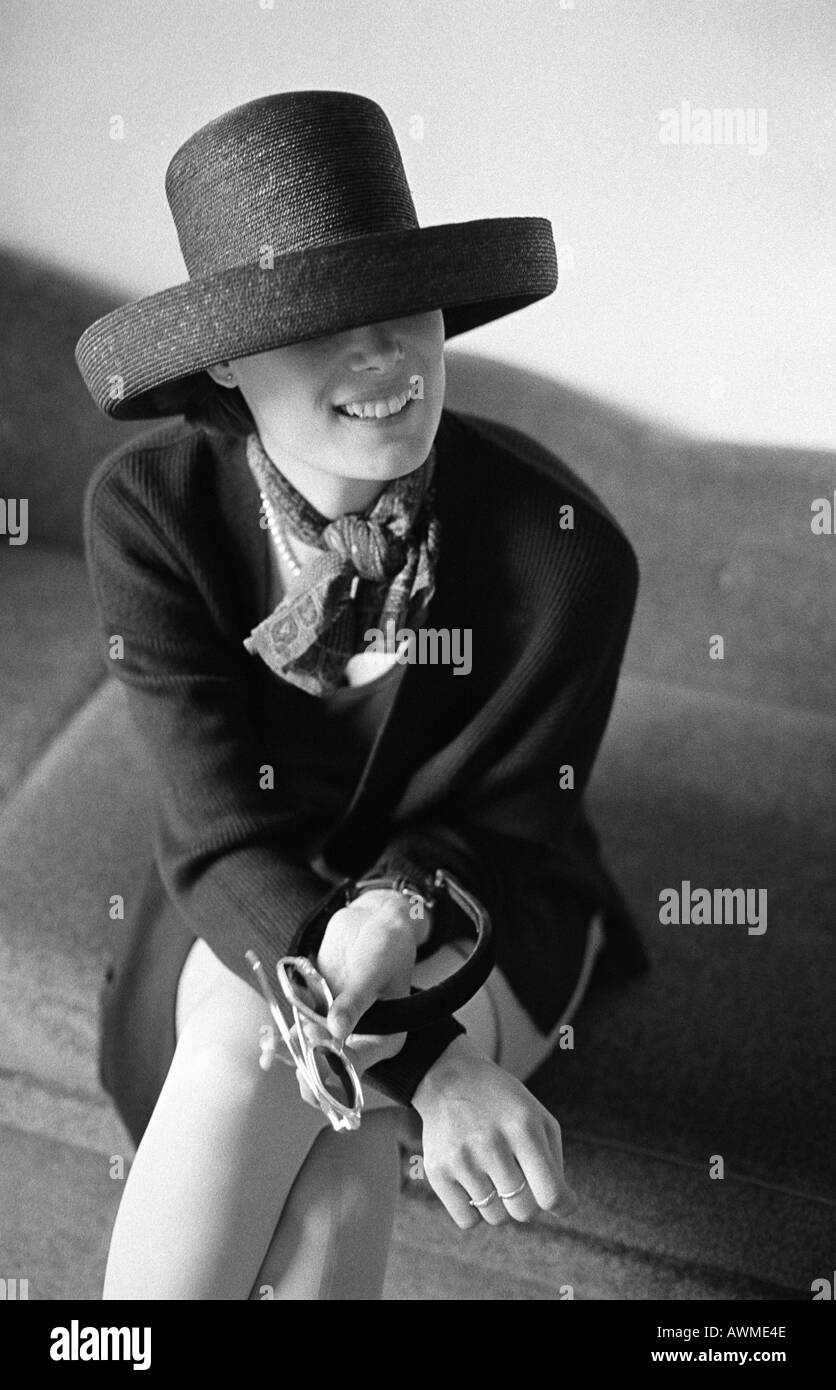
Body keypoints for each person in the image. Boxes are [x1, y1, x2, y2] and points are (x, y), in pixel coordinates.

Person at [75, 90, 648, 1300]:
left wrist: (395, 913)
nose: (384, 356)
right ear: (224, 358)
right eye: (317, 322)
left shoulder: (563, 554)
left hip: (480, 898)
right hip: (254, 887)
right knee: (326, 1113)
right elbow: (222, 822)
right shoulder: (147, 513)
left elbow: (505, 825)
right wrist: (430, 1069)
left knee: (269, 1056)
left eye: (403, 307)